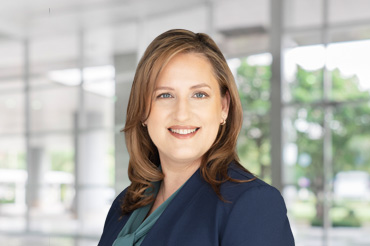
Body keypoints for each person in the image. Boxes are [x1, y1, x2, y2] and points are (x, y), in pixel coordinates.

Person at [98, 29, 294, 246]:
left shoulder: (253, 204)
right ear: (143, 110)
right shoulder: (125, 203)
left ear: (223, 107)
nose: (182, 113)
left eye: (199, 95)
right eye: (165, 95)